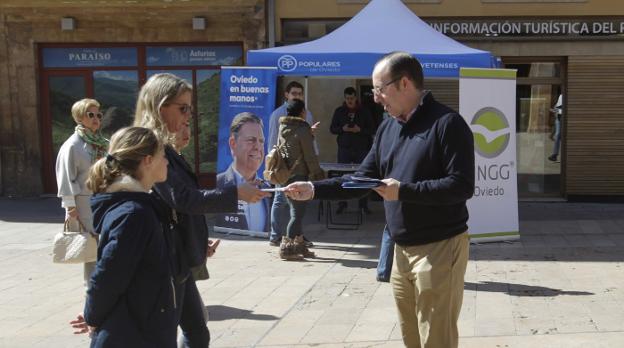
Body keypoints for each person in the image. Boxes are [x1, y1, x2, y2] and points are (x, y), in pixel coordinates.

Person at [286, 51, 475, 348]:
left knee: (436, 341)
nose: (375, 98)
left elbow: (461, 186)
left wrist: (403, 191)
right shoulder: (388, 127)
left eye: (379, 89)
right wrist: (313, 188)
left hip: (439, 247)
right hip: (401, 249)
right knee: (411, 339)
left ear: (405, 83)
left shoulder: (448, 124)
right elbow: (362, 180)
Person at [133, 73, 269, 348]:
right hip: (165, 262)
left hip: (178, 256)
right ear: (161, 108)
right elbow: (183, 199)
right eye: (183, 108)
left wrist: (195, 238)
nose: (188, 116)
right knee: (174, 336)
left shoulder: (167, 149)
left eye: (190, 109)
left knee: (196, 331)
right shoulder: (152, 148)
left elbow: (178, 206)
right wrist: (235, 193)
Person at [71, 126, 174, 347]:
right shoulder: (133, 214)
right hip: (132, 335)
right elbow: (108, 274)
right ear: (147, 161)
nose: (167, 162)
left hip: (141, 327)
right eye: (163, 156)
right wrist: (93, 315)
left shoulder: (139, 207)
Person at [55, 98, 108, 289]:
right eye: (90, 115)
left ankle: (104, 286)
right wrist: (70, 207)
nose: (96, 119)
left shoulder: (101, 143)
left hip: (104, 198)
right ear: (79, 117)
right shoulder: (73, 146)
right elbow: (65, 178)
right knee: (91, 248)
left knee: (106, 244)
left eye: (98, 115)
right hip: (85, 202)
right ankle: (92, 290)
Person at [267, 81, 318, 247]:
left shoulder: (305, 115)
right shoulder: (277, 115)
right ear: (286, 95)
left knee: (296, 208)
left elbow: (301, 140)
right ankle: (281, 240)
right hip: (287, 168)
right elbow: (274, 142)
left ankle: (298, 238)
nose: (297, 96)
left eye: (299, 94)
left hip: (294, 166)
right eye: (294, 93)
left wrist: (309, 134)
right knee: (285, 204)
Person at [277, 99, 325, 260]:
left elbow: (293, 146)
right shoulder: (302, 129)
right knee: (297, 214)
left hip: (285, 176)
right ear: (302, 112)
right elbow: (309, 155)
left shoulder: (283, 127)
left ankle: (300, 247)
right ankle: (287, 249)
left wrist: (307, 133)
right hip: (298, 175)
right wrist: (318, 175)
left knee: (296, 212)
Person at [216, 112, 271, 233]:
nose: (258, 147)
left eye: (261, 141)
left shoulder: (267, 189)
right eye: (251, 140)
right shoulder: (217, 185)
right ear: (233, 144)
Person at [329, 87, 374, 215]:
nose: (350, 101)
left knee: (363, 177)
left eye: (352, 98)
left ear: (356, 98)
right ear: (345, 98)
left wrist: (360, 130)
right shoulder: (339, 111)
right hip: (345, 149)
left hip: (361, 149)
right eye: (347, 98)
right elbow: (332, 129)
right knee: (342, 177)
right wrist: (342, 129)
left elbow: (372, 129)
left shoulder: (364, 111)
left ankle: (363, 205)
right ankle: (342, 204)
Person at [548, 94, 563, 162]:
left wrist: (556, 110)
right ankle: (555, 155)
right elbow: (557, 106)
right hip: (558, 119)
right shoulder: (560, 96)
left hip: (562, 118)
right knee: (557, 135)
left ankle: (555, 155)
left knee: (558, 136)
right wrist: (554, 109)